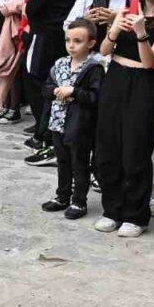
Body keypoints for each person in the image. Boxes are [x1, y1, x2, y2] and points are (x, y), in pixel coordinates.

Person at [93, 0, 154, 236]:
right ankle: (111, 208)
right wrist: (115, 27)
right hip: (114, 76)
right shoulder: (126, 10)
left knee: (136, 150)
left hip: (143, 83)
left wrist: (141, 32)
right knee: (107, 147)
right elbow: (104, 50)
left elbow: (151, 62)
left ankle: (136, 214)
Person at [22, 0, 82, 165]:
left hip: (47, 29)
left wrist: (30, 7)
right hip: (62, 28)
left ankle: (45, 135)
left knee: (37, 77)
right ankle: (47, 133)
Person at [41, 19, 105, 220]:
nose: (71, 45)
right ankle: (62, 196)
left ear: (91, 43)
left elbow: (96, 96)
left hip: (79, 124)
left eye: (77, 41)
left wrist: (75, 92)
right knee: (62, 161)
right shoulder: (59, 64)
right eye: (68, 40)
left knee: (79, 162)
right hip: (57, 121)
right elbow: (46, 88)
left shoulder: (93, 68)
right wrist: (56, 91)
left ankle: (79, 201)